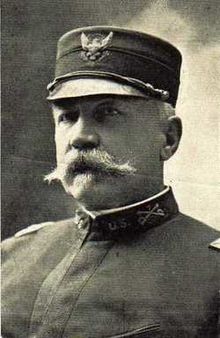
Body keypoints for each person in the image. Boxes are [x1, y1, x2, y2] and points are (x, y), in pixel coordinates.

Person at [2, 26, 219, 338]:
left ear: (168, 139)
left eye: (107, 113)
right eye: (67, 116)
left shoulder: (212, 277)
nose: (80, 137)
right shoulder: (12, 256)